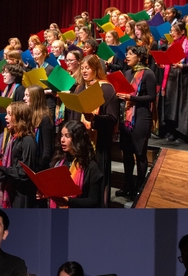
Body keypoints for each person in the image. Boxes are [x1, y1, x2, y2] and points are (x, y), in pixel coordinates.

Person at [116, 46, 156, 198]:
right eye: (127, 53)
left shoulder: (148, 74)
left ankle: (140, 187)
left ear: (139, 57)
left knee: (140, 154)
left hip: (141, 117)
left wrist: (131, 98)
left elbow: (152, 97)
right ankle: (127, 185)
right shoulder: (127, 73)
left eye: (130, 53)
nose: (127, 56)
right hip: (126, 116)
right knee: (127, 154)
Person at [79, 54, 119, 207]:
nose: (84, 71)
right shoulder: (81, 87)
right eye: (82, 68)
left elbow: (112, 118)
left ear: (96, 69)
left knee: (98, 179)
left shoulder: (106, 88)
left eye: (87, 68)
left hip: (99, 141)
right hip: (82, 141)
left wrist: (94, 119)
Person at [0, 102, 37, 208]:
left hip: (22, 193)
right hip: (13, 188)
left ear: (19, 117)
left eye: (9, 114)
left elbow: (24, 173)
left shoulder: (28, 141)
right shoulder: (14, 137)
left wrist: (2, 168)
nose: (6, 117)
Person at [45, 120, 103, 208]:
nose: (62, 140)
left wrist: (69, 201)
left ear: (77, 138)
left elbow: (93, 201)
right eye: (61, 135)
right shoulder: (59, 162)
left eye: (67, 136)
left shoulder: (90, 166)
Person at [161, 22, 188, 142]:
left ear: (182, 31)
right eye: (171, 31)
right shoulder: (171, 45)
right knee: (171, 105)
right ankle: (172, 130)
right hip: (172, 78)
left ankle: (181, 133)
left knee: (181, 105)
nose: (171, 33)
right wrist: (163, 64)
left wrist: (182, 66)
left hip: (183, 79)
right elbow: (169, 62)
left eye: (174, 30)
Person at [23, 85, 55, 172]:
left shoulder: (45, 118)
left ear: (35, 98)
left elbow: (47, 148)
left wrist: (41, 168)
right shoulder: (30, 114)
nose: (24, 98)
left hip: (40, 165)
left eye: (27, 95)